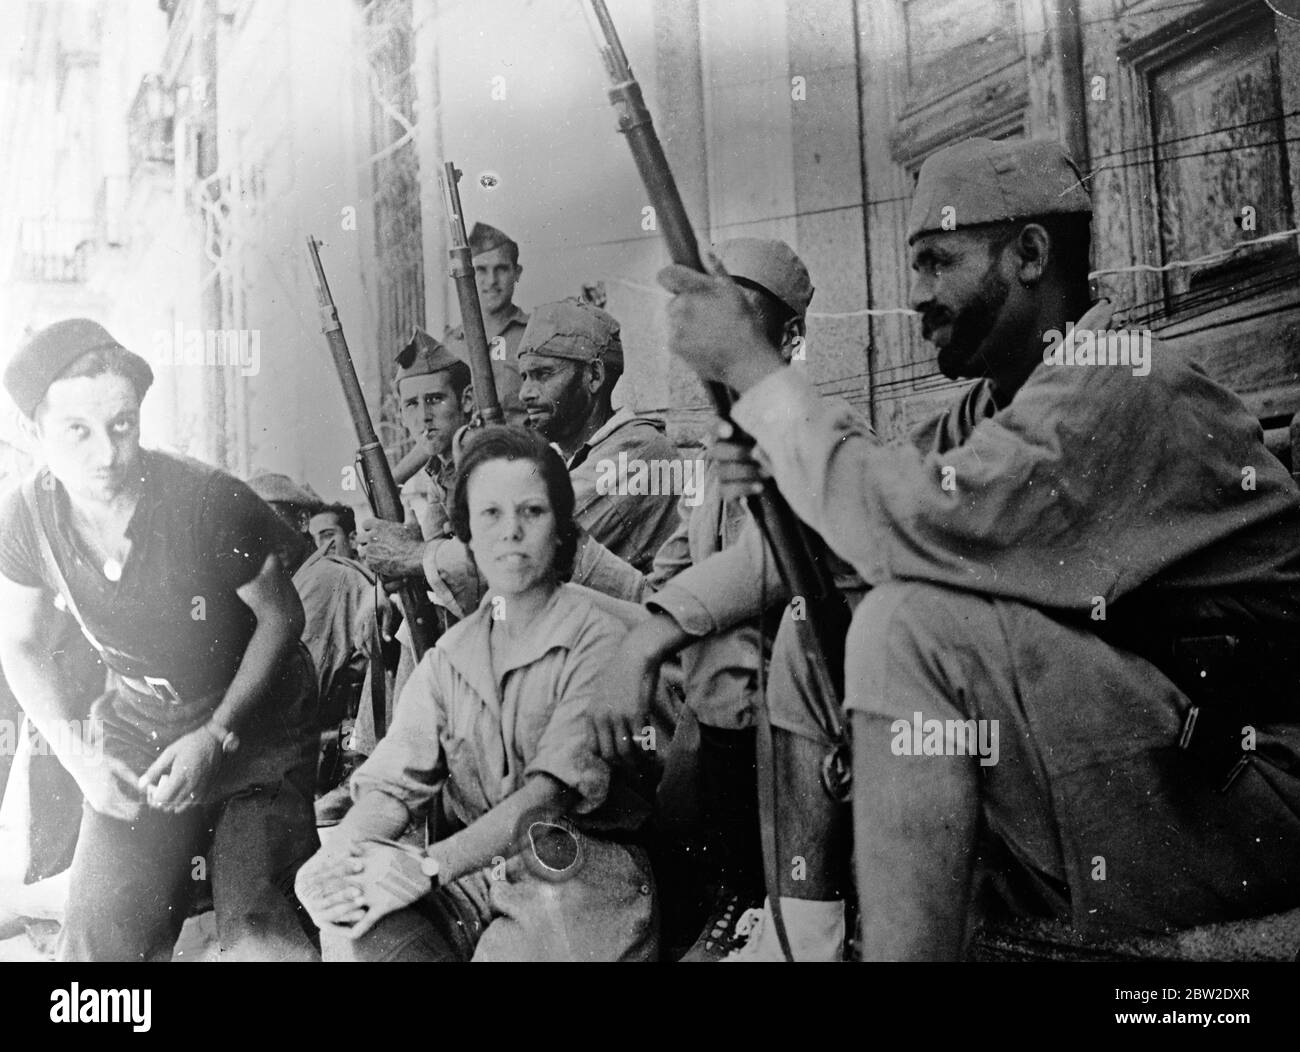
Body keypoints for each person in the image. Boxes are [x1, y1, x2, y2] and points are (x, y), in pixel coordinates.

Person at [656, 137, 1300, 960]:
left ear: (1030, 254)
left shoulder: (1124, 378)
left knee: (908, 628)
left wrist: (756, 369)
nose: (916, 296)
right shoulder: (992, 408)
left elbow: (908, 519)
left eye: (938, 262)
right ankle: (800, 943)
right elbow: (854, 534)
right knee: (818, 628)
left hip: (1245, 788)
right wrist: (775, 467)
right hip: (1131, 762)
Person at [0, 319, 320, 961]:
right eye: (78, 432)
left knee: (262, 933)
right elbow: (22, 645)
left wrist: (217, 734)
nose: (106, 455)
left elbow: (283, 618)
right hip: (138, 729)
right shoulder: (26, 517)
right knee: (96, 948)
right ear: (35, 434)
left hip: (255, 726)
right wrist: (82, 758)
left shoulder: (208, 501)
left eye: (122, 426)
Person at [581, 238, 866, 958]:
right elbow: (671, 574)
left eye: (743, 318)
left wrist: (652, 634)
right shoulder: (716, 452)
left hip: (807, 681)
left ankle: (753, 897)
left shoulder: (828, 427)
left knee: (724, 648)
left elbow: (770, 561)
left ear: (790, 338)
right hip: (723, 701)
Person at [295, 426, 658, 961]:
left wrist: (427, 866)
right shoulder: (453, 656)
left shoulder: (599, 635)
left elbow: (546, 797)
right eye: (489, 515)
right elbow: (393, 785)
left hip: (579, 874)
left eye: (531, 512)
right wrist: (340, 858)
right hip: (479, 873)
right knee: (359, 919)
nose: (510, 532)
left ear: (562, 531)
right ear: (464, 537)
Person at [246, 473, 386, 821]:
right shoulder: (298, 579)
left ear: (302, 521)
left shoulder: (322, 578)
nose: (266, 537)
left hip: (347, 759)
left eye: (273, 521)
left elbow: (299, 691)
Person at [441, 222, 531, 427]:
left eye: (501, 269)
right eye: (480, 270)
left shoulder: (534, 335)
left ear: (517, 273)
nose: (491, 280)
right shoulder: (451, 344)